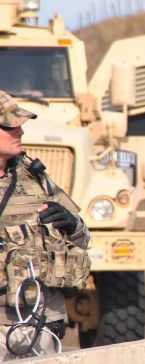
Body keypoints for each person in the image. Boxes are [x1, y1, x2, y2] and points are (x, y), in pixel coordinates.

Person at [0, 91, 90, 359]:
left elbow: (83, 239)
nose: (19, 131)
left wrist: (72, 224)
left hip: (38, 323)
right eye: (8, 126)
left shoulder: (36, 178)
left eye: (19, 124)